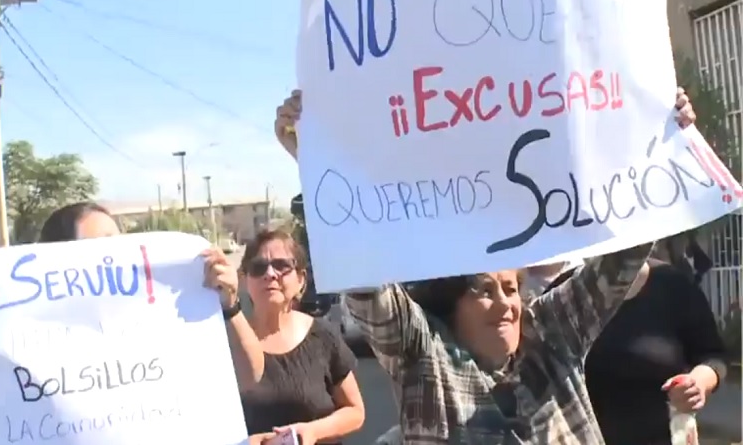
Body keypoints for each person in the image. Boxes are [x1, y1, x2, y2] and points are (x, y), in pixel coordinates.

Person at [274, 89, 699, 444]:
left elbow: (624, 255)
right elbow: (367, 277)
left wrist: (664, 144)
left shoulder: (552, 334)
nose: (506, 305)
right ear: (452, 299)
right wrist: (317, 162)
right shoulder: (425, 358)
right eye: (485, 289)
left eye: (511, 289)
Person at [0, 201, 265, 445]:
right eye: (105, 245)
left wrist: (228, 306)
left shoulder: (163, 319)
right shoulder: (3, 340)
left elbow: (249, 377)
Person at [531, 256, 726, 445]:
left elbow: (713, 357)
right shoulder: (564, 292)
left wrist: (697, 383)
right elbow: (535, 369)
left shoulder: (674, 285)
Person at [231, 228, 365, 445]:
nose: (270, 274)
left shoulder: (323, 335)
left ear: (301, 279)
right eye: (258, 268)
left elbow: (355, 411)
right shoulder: (229, 344)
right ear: (245, 280)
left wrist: (313, 431)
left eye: (282, 266)